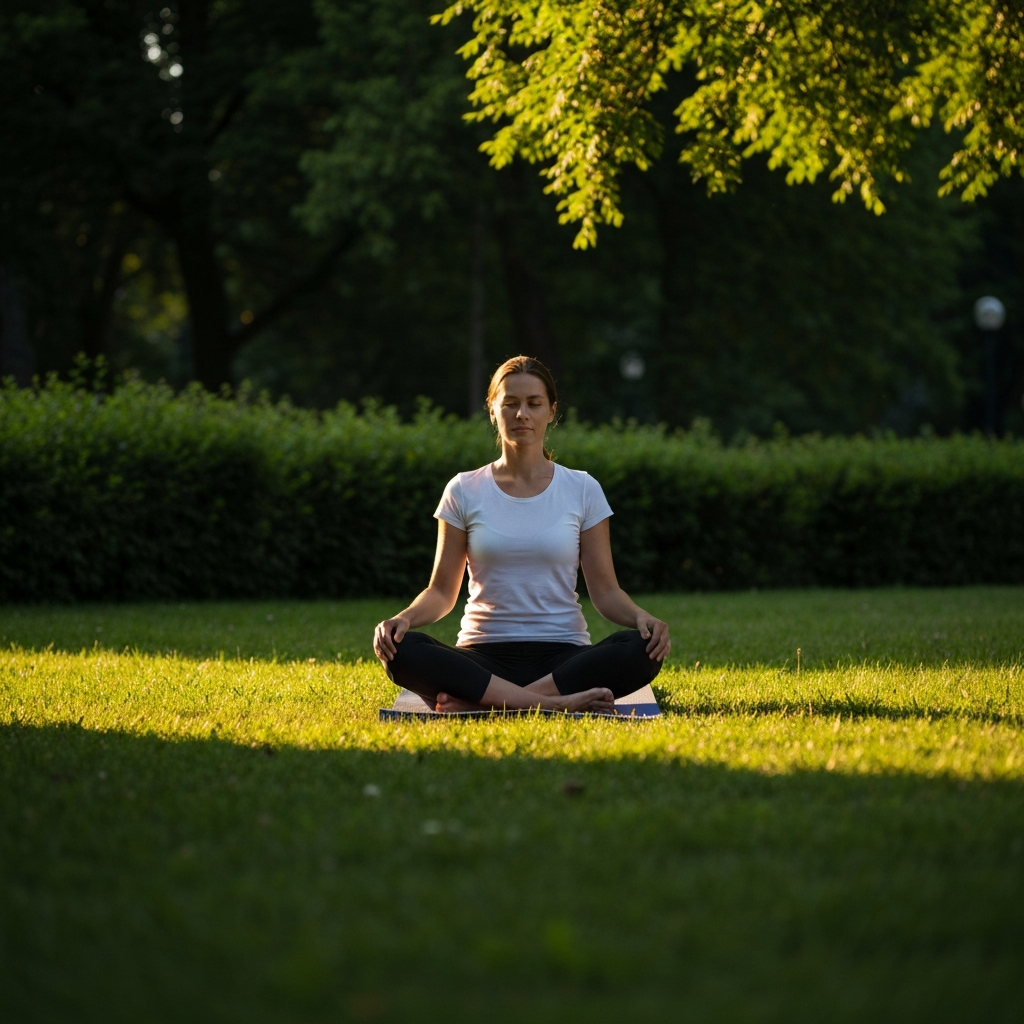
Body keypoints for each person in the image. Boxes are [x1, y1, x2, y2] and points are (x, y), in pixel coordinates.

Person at [373, 355, 671, 714]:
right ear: (492, 410)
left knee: (639, 648)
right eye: (510, 403)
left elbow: (606, 591)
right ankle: (553, 704)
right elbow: (440, 592)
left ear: (551, 411)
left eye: (534, 403)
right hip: (482, 658)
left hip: (563, 658)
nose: (521, 414)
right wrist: (402, 619)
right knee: (403, 650)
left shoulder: (583, 488)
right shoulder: (463, 489)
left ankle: (483, 703)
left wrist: (642, 618)